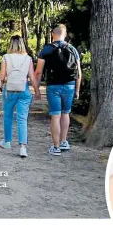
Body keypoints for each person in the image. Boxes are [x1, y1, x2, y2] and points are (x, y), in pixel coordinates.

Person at [34, 24, 82, 156]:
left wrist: (36, 90)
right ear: (65, 34)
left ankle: (55, 147)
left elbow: (38, 72)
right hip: (69, 85)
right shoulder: (73, 49)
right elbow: (79, 72)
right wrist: (77, 90)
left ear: (52, 34)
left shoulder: (46, 50)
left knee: (55, 115)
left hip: (53, 86)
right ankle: (64, 141)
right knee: (66, 113)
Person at [0, 35, 41, 158]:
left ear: (11, 44)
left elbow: (2, 76)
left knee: (8, 116)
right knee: (22, 119)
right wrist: (37, 91)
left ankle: (7, 142)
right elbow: (32, 77)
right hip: (24, 91)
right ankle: (23, 147)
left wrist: (1, 84)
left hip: (9, 90)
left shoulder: (5, 57)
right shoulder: (27, 58)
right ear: (22, 44)